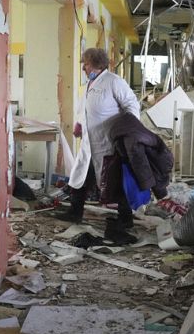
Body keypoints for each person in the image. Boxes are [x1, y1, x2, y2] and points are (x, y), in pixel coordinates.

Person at [56, 48, 139, 224]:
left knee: (115, 181)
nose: (84, 68)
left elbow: (131, 105)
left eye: (86, 64)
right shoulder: (90, 84)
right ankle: (74, 212)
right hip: (89, 143)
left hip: (108, 143)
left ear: (97, 64)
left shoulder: (114, 82)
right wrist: (80, 124)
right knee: (80, 177)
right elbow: (86, 109)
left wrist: (128, 131)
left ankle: (126, 218)